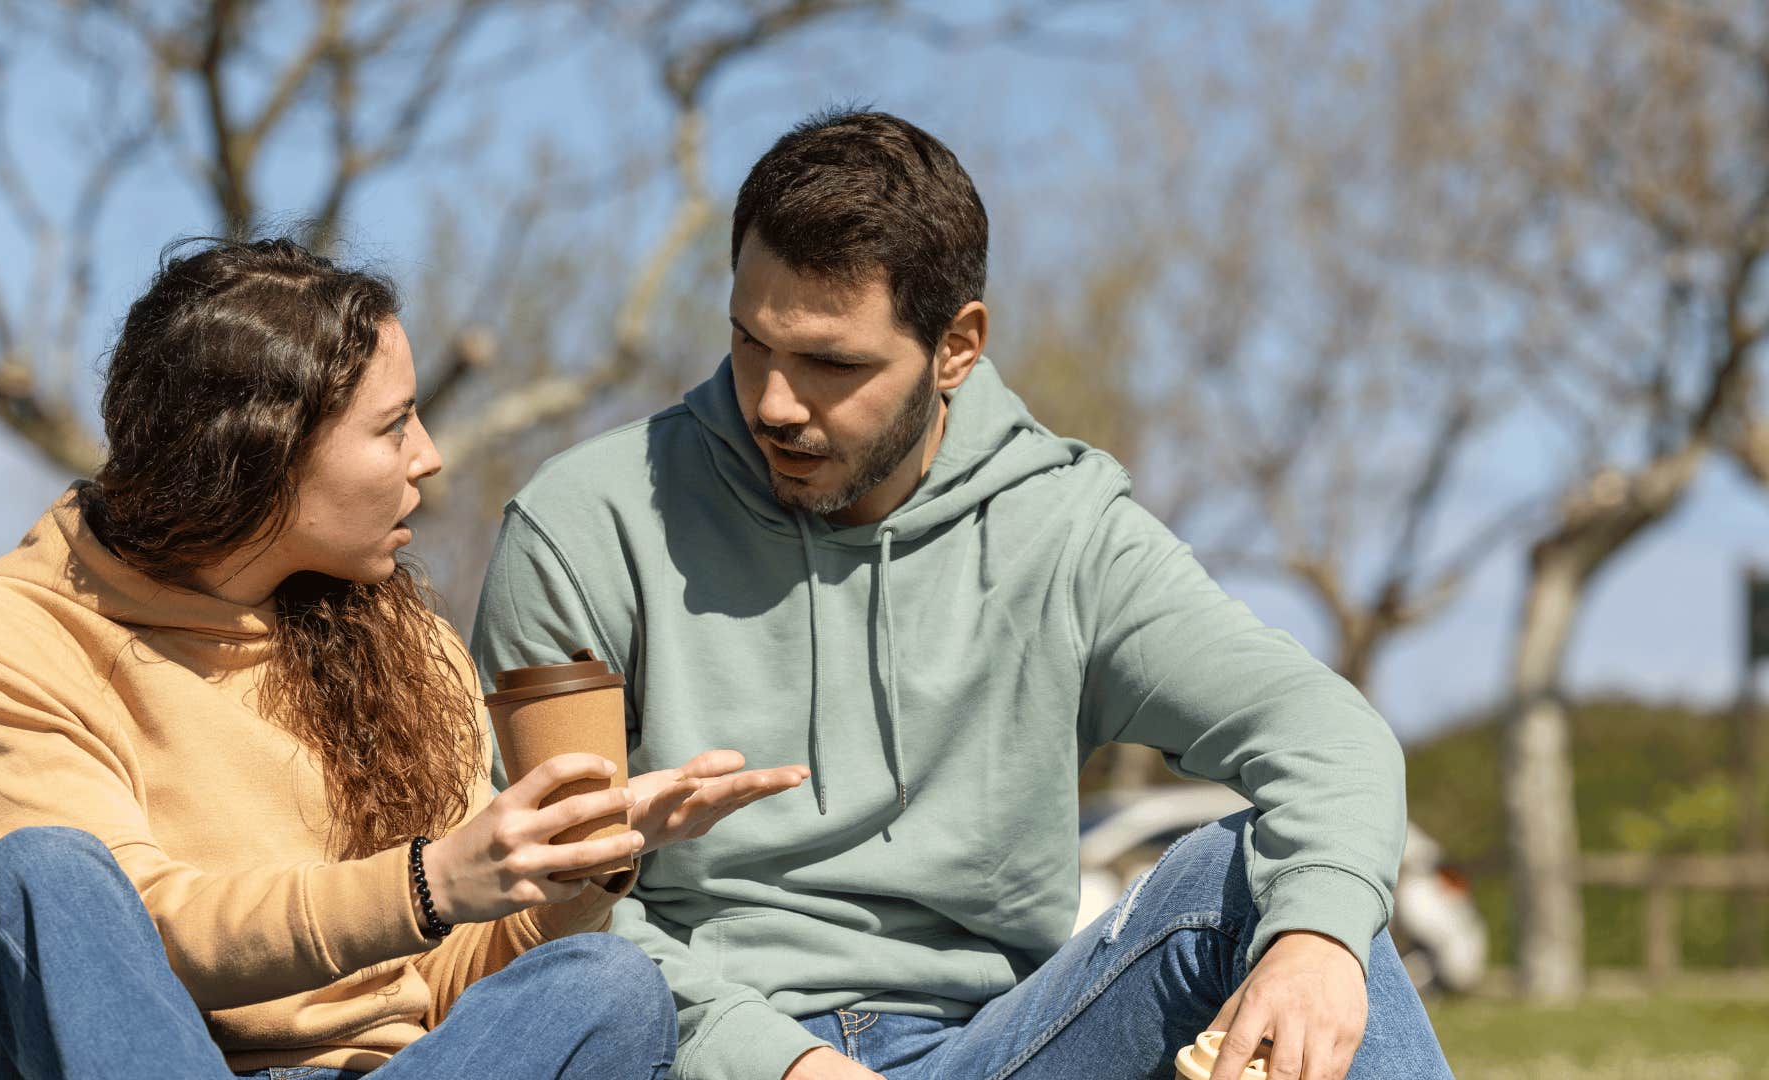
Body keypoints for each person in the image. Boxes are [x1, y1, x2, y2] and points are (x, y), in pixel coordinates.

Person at [472, 111, 1456, 1080]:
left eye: (829, 363)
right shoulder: (582, 526)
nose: (772, 400)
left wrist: (1318, 940)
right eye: (750, 342)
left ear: (958, 347)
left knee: (1285, 887)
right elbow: (557, 906)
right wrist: (780, 1063)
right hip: (694, 1050)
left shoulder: (1064, 530)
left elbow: (1325, 733)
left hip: (997, 1047)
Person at [0, 238, 805, 1079]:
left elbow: (449, 983)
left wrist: (570, 874)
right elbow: (126, 948)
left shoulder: (403, 643)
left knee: (608, 984)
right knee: (45, 874)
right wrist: (428, 880)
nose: (430, 456)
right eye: (394, 425)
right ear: (262, 450)